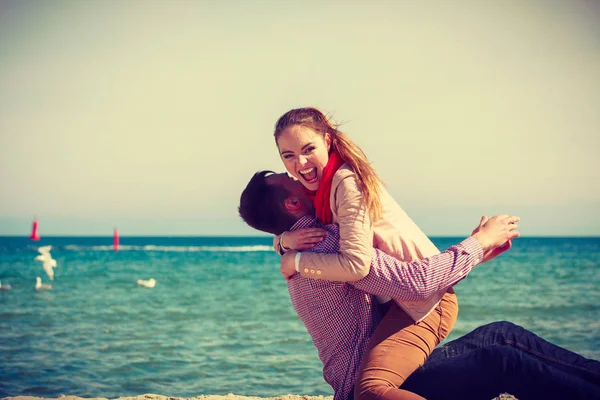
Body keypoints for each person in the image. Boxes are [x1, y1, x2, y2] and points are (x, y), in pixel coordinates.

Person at [237, 171, 600, 400]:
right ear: (293, 201)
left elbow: (406, 276)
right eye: (293, 180)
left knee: (500, 335)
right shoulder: (328, 245)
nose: (303, 177)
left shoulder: (301, 244)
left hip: (394, 368)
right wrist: (479, 243)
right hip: (374, 388)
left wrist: (281, 242)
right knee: (499, 358)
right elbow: (418, 282)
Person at [271, 107, 514, 400]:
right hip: (400, 298)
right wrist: (283, 241)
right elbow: (312, 231)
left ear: (328, 141)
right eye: (289, 155)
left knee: (370, 393)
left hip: (424, 302)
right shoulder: (320, 190)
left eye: (308, 149)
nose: (301, 162)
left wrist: (295, 260)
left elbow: (356, 265)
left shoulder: (345, 183)